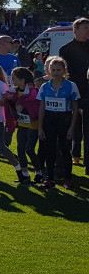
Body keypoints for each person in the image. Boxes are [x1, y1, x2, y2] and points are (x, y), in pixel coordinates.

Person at [37, 56, 81, 190]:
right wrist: (40, 128)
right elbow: (42, 107)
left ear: (64, 70)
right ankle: (50, 178)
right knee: (50, 150)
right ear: (49, 71)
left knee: (65, 150)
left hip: (65, 119)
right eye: (53, 70)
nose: (56, 72)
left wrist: (72, 128)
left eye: (58, 70)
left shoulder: (71, 86)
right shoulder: (45, 86)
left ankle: (68, 179)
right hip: (49, 120)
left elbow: (74, 108)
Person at [57, 17, 89, 172]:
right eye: (85, 28)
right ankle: (65, 164)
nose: (88, 31)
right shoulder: (65, 50)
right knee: (71, 130)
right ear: (75, 30)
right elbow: (63, 74)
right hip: (73, 94)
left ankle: (87, 165)